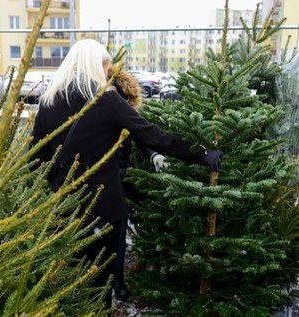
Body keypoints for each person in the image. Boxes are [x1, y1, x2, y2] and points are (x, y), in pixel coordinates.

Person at [28, 38, 223, 314]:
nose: (108, 74)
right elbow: (153, 135)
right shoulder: (106, 100)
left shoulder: (48, 101)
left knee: (68, 278)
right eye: (106, 68)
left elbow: (36, 159)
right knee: (100, 279)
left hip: (63, 208)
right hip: (103, 208)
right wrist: (201, 154)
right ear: (97, 66)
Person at [108, 64, 169, 302]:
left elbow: (142, 134)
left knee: (131, 223)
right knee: (111, 231)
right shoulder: (92, 108)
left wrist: (154, 154)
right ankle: (112, 279)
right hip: (100, 180)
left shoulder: (121, 107)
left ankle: (124, 276)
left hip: (123, 178)